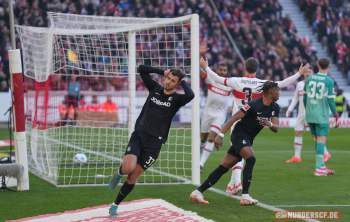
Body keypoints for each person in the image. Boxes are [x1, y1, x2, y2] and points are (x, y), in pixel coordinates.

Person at [200, 55, 309, 195]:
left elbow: (217, 79)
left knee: (238, 154)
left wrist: (206, 67)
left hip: (236, 119)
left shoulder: (236, 81)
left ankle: (232, 183)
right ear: (257, 69)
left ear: (245, 68)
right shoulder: (263, 83)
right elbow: (283, 83)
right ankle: (237, 184)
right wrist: (299, 74)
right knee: (244, 153)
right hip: (250, 122)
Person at [108, 65, 194, 218]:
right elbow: (142, 69)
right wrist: (163, 71)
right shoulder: (155, 88)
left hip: (154, 145)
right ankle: (118, 173)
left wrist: (183, 82)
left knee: (133, 177)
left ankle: (115, 205)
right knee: (128, 169)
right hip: (139, 136)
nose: (168, 82)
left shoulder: (176, 99)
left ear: (177, 83)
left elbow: (191, 94)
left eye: (173, 81)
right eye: (168, 78)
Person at [190, 81, 281, 205]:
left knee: (223, 167)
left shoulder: (275, 107)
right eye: (278, 91)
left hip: (249, 138)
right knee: (251, 159)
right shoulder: (254, 104)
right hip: (239, 134)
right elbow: (234, 118)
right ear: (272, 92)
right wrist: (221, 135)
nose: (279, 93)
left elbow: (276, 128)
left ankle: (197, 192)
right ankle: (245, 196)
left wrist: (270, 123)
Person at [285, 66, 332, 163]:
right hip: (301, 113)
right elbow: (295, 99)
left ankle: (326, 153)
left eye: (309, 71)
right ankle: (297, 157)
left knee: (315, 135)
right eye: (306, 71)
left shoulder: (316, 85)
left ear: (313, 73)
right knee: (298, 132)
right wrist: (289, 109)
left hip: (311, 113)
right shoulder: (299, 84)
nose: (307, 73)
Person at [199, 42, 232, 172]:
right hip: (207, 113)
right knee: (203, 138)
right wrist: (200, 53)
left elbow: (239, 95)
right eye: (220, 70)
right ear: (216, 70)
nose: (222, 72)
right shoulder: (211, 79)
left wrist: (234, 107)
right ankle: (199, 159)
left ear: (227, 72)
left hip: (220, 114)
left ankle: (200, 165)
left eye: (224, 71)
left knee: (211, 138)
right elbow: (197, 68)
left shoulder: (230, 83)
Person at [303, 57, 339, 176]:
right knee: (321, 140)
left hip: (310, 114)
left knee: (317, 139)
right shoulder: (329, 81)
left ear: (318, 66)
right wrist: (335, 116)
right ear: (329, 67)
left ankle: (322, 166)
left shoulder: (309, 79)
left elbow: (304, 98)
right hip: (321, 115)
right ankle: (318, 168)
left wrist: (308, 110)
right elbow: (331, 101)